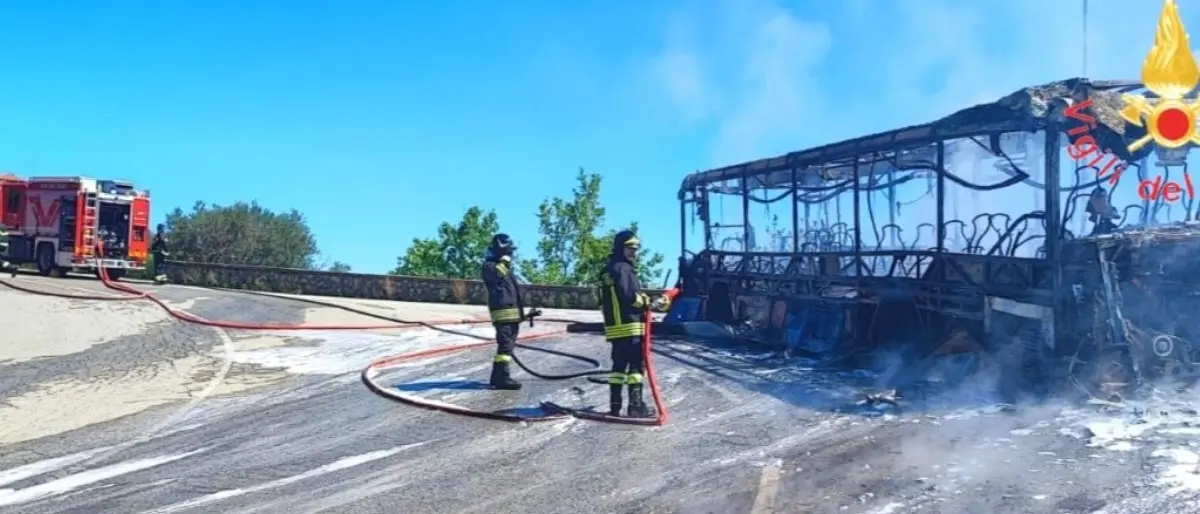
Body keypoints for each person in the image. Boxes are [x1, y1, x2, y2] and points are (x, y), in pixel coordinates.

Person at [599, 230, 671, 417]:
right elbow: (629, 296)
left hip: (616, 328)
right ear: (620, 247)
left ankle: (615, 406)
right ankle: (635, 406)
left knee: (618, 368)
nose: (633, 252)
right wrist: (648, 302)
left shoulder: (608, 269)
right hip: (631, 326)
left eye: (635, 248)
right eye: (630, 248)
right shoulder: (623, 268)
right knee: (636, 368)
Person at [480, 233, 535, 390]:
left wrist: (523, 314)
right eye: (508, 250)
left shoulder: (504, 269)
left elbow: (512, 292)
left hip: (512, 314)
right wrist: (504, 259)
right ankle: (502, 378)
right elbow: (497, 275)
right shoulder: (489, 266)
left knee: (507, 347)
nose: (511, 253)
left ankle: (496, 377)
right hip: (502, 314)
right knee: (504, 347)